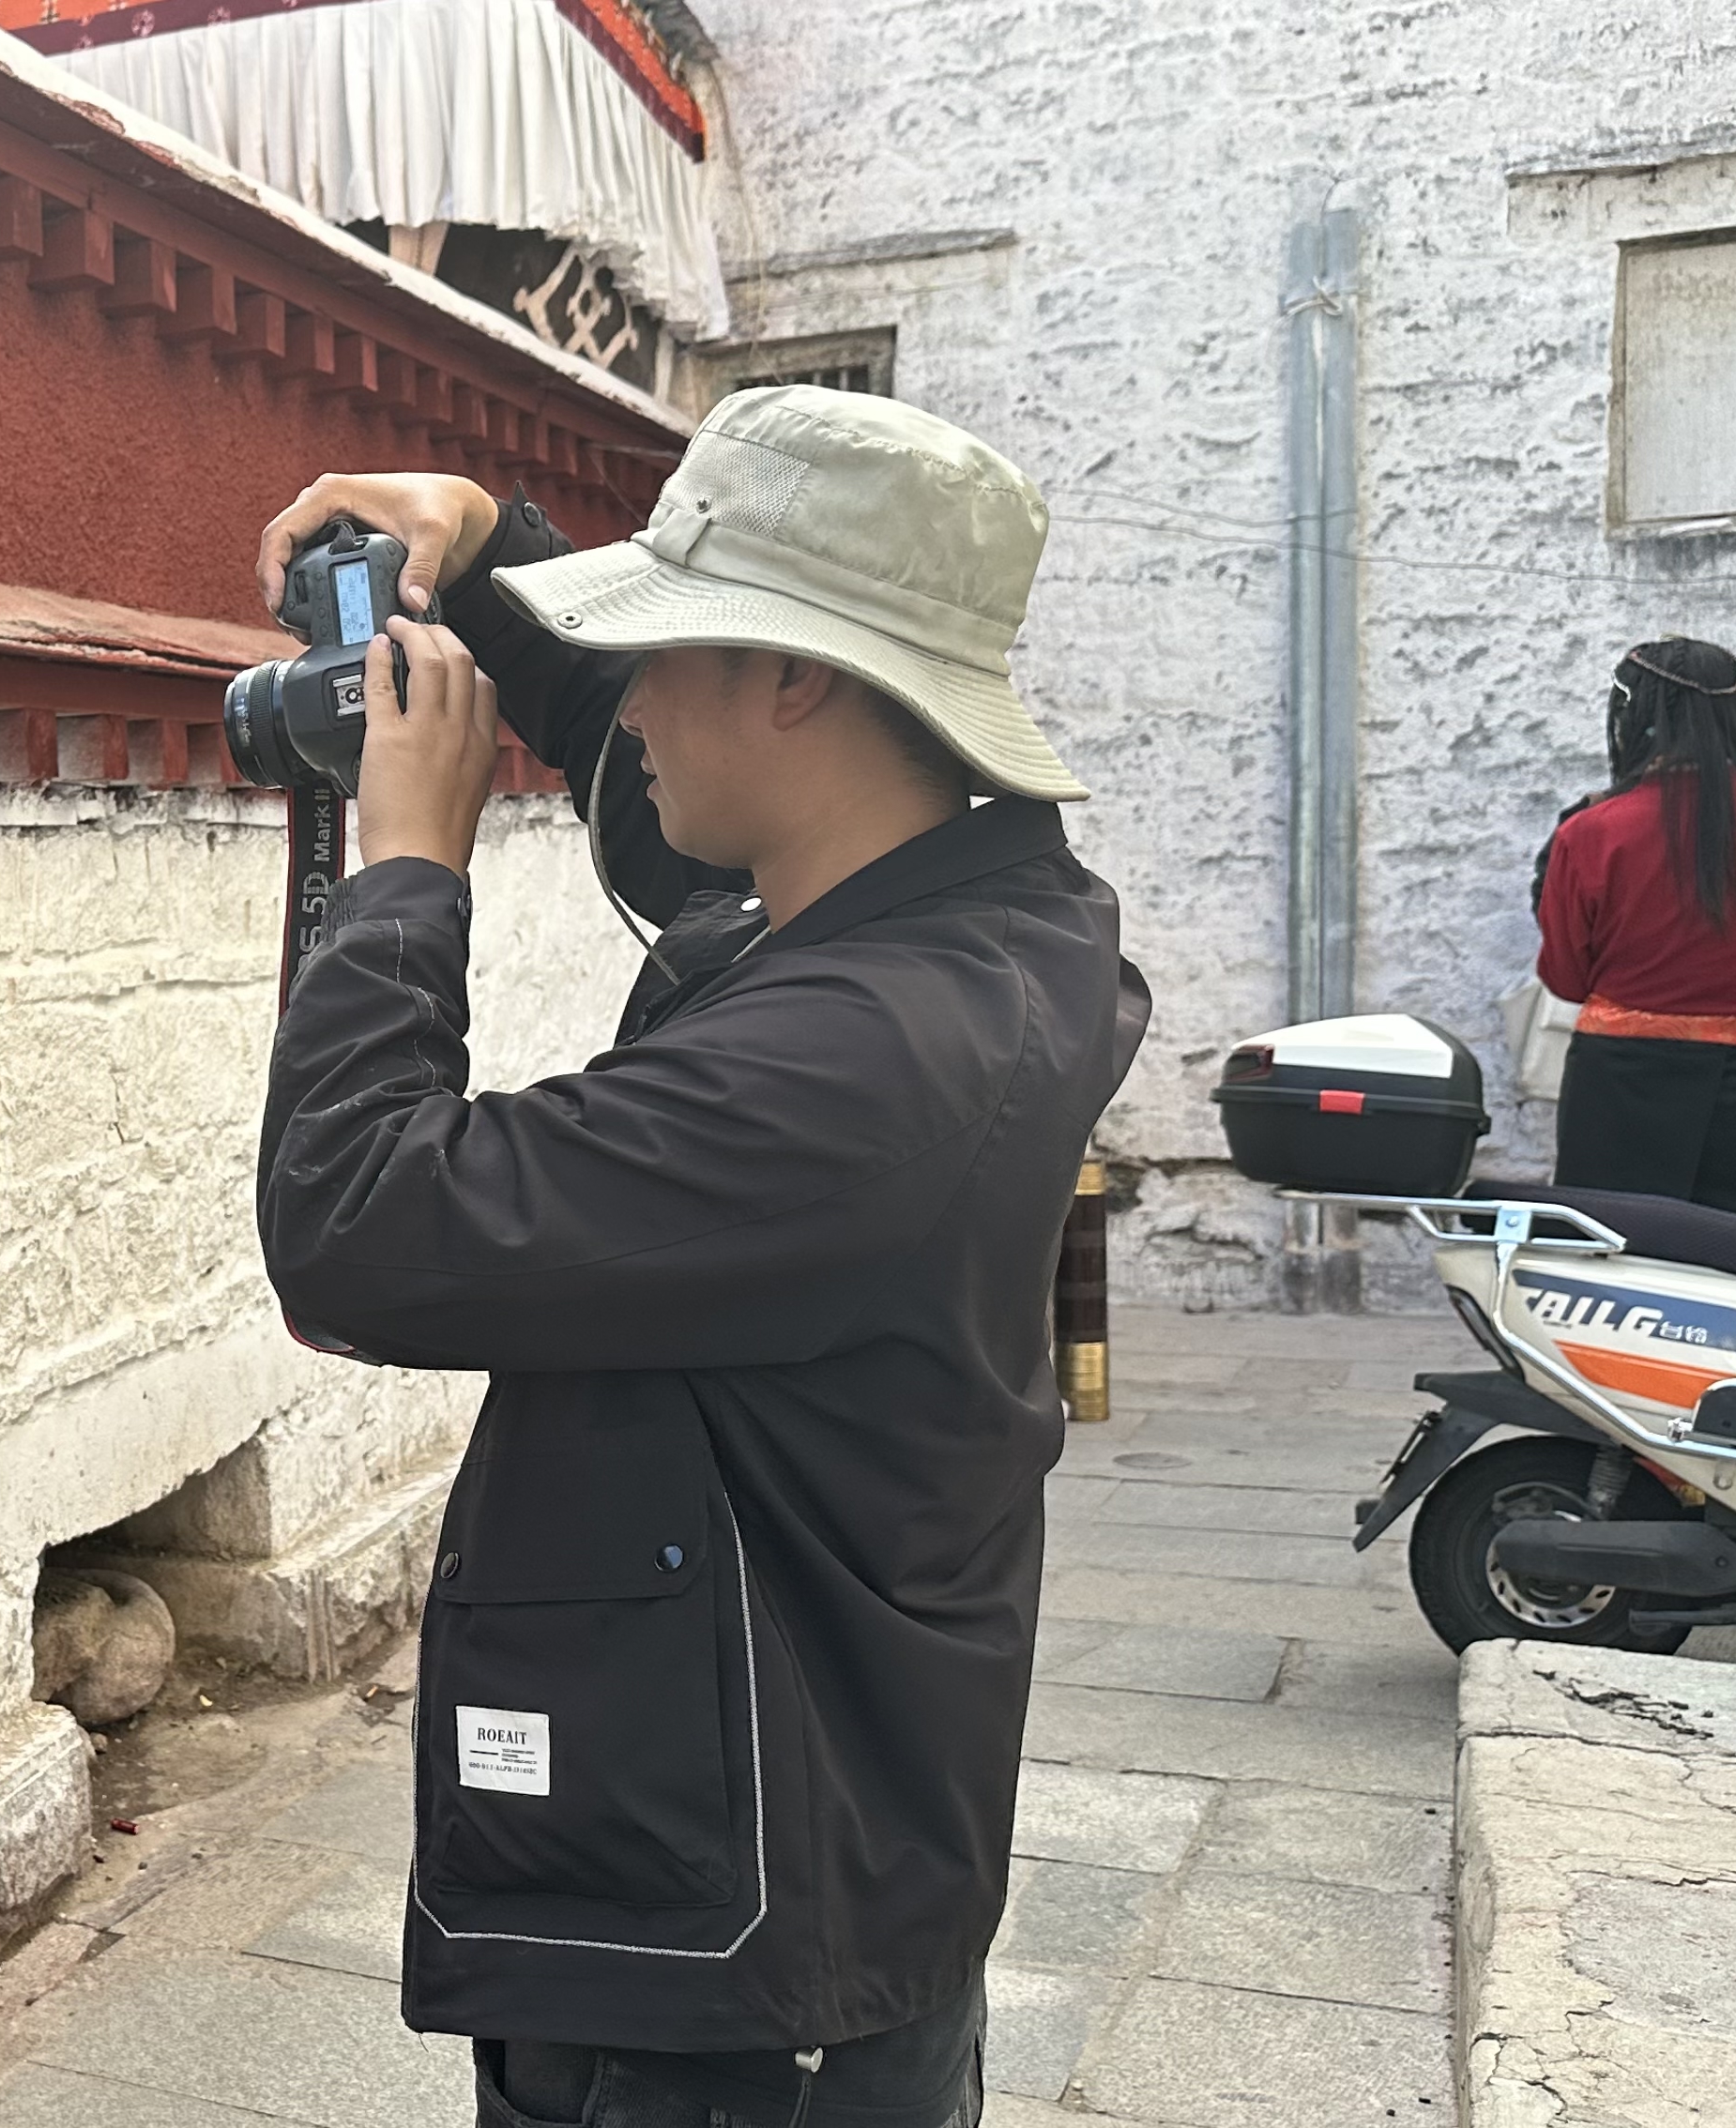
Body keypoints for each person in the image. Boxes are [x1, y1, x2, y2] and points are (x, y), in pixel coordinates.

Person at [251, 386, 1148, 2128]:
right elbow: (663, 777)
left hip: (715, 2006)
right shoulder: (955, 918)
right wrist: (483, 545)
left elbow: (358, 1226)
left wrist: (407, 873)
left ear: (796, 677)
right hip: (809, 1882)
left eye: (665, 645)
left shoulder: (857, 1064)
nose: (629, 696)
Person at [1538, 638, 1736, 1228]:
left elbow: (1567, 978)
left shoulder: (1591, 831)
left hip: (1619, 1090)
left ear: (1633, 720)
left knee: (1616, 1256)